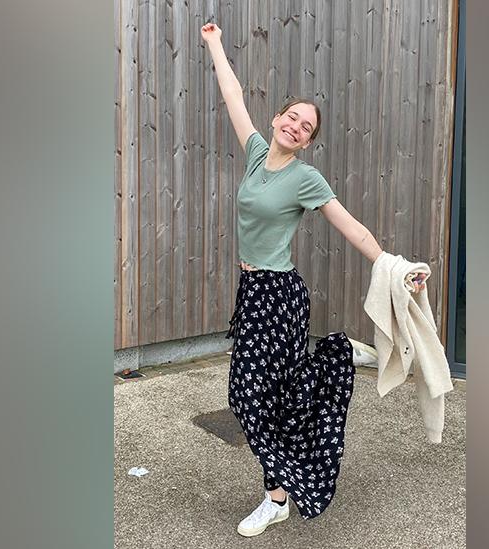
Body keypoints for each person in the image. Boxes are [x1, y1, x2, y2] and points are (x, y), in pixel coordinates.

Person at [200, 22, 427, 537]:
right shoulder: (258, 153)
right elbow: (233, 95)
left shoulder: (306, 179)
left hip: (279, 297)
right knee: (268, 395)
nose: (297, 127)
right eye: (292, 116)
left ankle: (277, 496)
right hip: (252, 292)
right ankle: (339, 354)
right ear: (277, 118)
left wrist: (393, 266)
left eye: (307, 127)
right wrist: (215, 43)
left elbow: (352, 227)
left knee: (247, 395)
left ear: (309, 141)